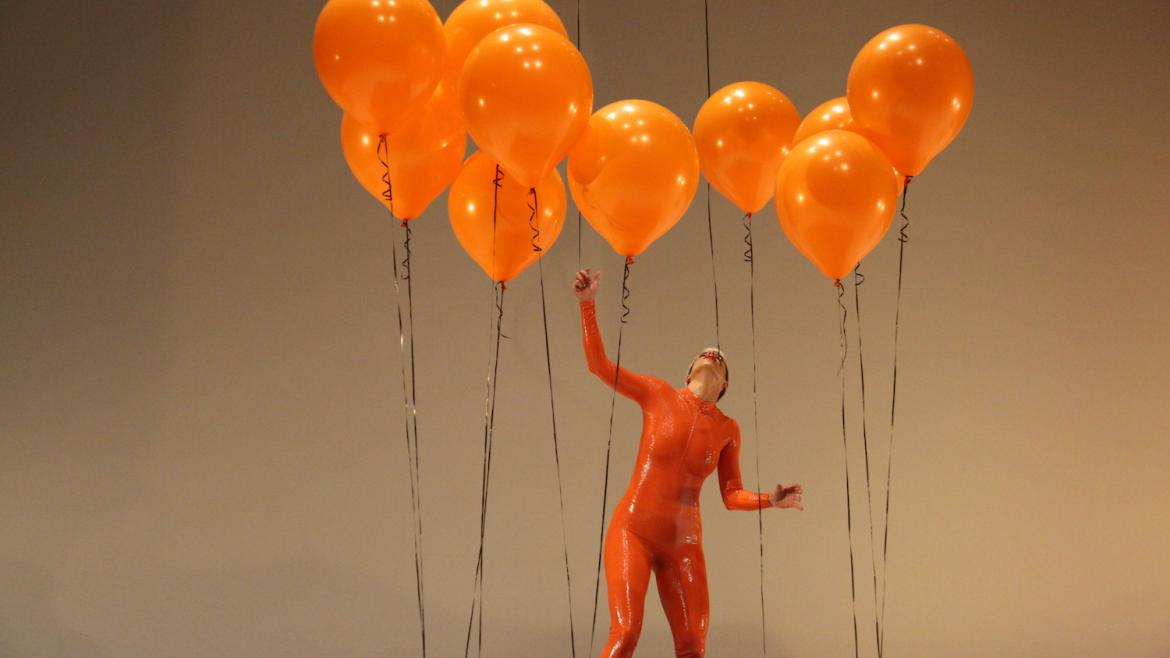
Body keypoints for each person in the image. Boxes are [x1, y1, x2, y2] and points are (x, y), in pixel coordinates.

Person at [574, 267, 804, 658]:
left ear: (725, 384)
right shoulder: (658, 394)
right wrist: (587, 304)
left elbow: (731, 495)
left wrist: (771, 499)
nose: (712, 353)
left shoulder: (728, 429)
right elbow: (599, 366)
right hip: (634, 530)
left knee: (693, 645)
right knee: (626, 632)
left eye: (720, 360)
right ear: (689, 371)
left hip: (684, 543)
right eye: (704, 353)